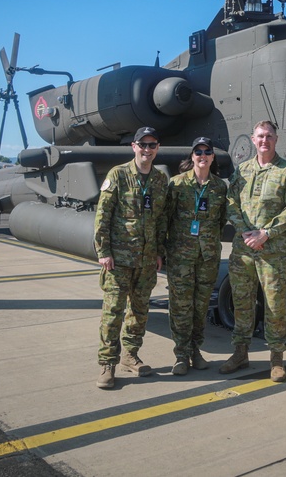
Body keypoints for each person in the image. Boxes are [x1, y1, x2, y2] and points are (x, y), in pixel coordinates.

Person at [221, 120, 286, 382]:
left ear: (276, 139)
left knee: (275, 305)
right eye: (260, 136)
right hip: (243, 249)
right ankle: (240, 352)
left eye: (269, 136)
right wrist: (244, 229)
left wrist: (266, 233)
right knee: (242, 302)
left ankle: (277, 359)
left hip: (273, 251)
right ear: (253, 139)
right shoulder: (242, 171)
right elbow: (230, 202)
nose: (264, 140)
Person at [94, 126, 169, 390]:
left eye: (152, 145)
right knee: (113, 312)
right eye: (142, 145)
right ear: (134, 147)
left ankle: (130, 355)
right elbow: (102, 215)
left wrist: (159, 251)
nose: (147, 150)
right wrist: (103, 252)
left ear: (157, 148)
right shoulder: (118, 174)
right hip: (119, 259)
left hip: (147, 260)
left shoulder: (160, 180)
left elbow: (160, 221)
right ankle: (107, 364)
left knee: (139, 312)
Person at [164, 137, 228, 375]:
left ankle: (195, 351)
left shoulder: (220, 187)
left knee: (201, 306)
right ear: (192, 156)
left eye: (207, 151)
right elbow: (165, 219)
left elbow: (221, 221)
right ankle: (181, 355)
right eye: (198, 151)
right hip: (181, 257)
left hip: (208, 257)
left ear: (212, 157)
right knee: (181, 307)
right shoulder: (177, 185)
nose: (202, 155)